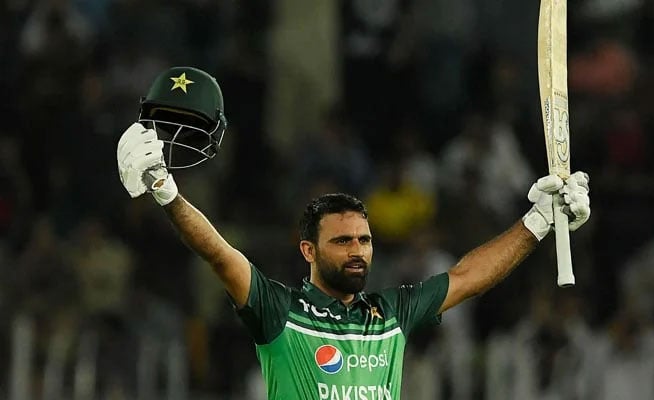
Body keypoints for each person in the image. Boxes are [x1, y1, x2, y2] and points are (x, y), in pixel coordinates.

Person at [116, 66, 592, 400]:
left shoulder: (391, 314)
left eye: (363, 240)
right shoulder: (277, 311)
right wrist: (166, 192)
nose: (358, 251)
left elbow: (468, 276)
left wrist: (537, 223)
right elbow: (219, 254)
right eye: (342, 241)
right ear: (308, 249)